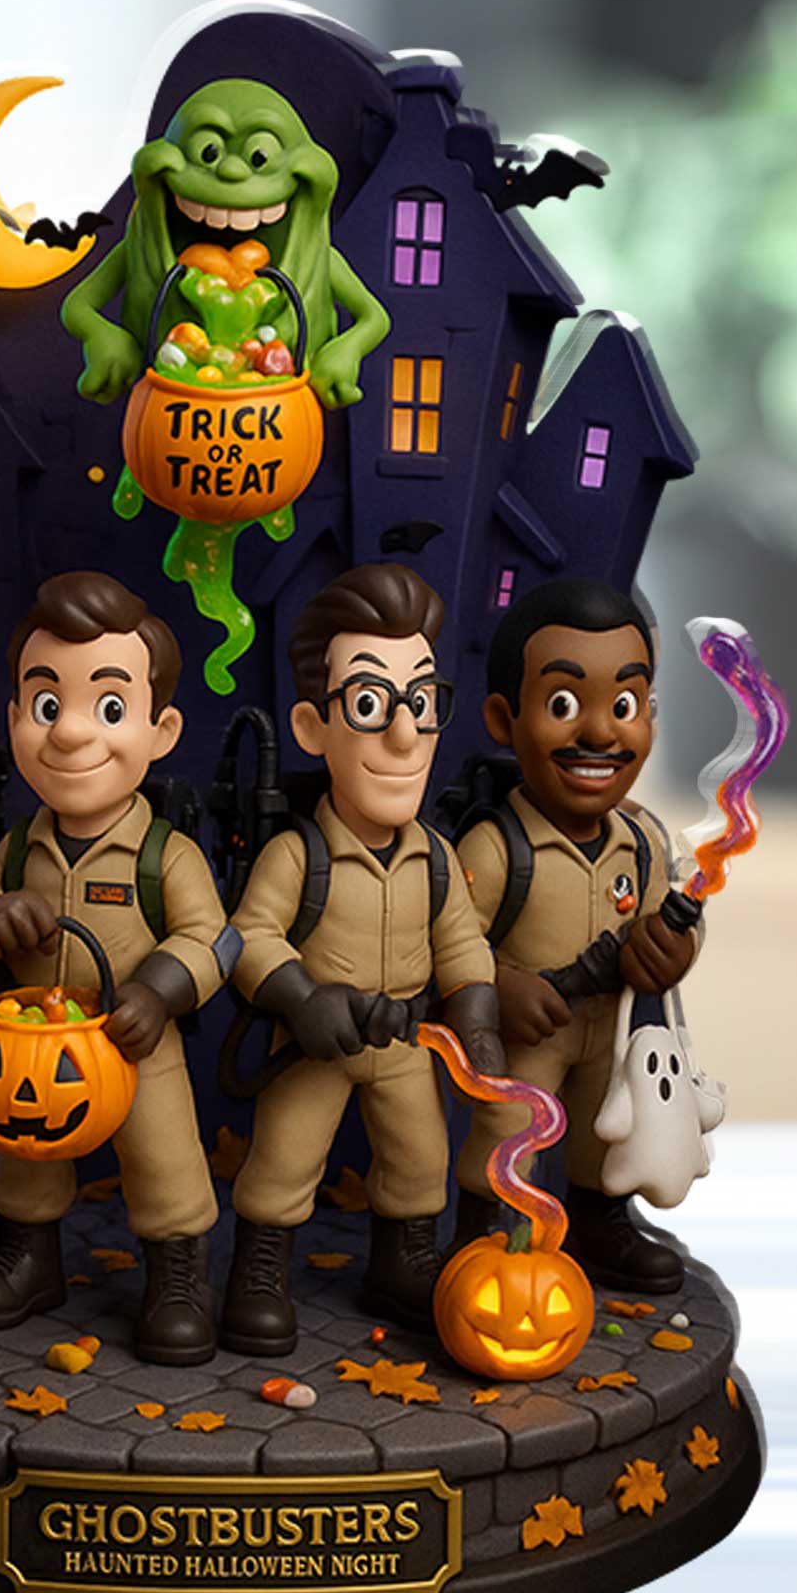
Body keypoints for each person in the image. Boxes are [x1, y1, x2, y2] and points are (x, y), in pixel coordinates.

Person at [0, 573, 234, 1364]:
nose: (69, 734)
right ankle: (29, 1257)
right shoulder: (17, 849)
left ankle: (177, 1274)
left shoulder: (164, 855)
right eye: (45, 705)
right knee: (25, 1156)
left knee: (166, 1164)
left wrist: (160, 989)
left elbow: (215, 939)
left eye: (107, 708)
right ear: (13, 719)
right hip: (31, 1048)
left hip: (134, 1045)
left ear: (161, 730)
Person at [220, 564, 504, 1353]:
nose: (405, 736)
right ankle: (261, 1268)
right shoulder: (298, 855)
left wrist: (477, 1016)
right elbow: (249, 937)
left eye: (422, 702)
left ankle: (403, 1260)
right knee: (284, 1159)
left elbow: (461, 943)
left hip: (407, 1042)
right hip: (316, 1047)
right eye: (371, 704)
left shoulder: (435, 858)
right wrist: (302, 998)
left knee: (420, 1159)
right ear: (313, 728)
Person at [456, 576, 701, 1294]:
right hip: (528, 1037)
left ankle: (601, 1222)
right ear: (504, 718)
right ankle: (490, 1232)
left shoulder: (643, 843)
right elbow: (446, 942)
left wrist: (674, 951)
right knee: (509, 1130)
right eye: (563, 704)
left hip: (611, 1031)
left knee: (608, 1126)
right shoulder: (496, 849)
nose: (598, 733)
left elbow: (666, 920)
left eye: (624, 706)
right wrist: (499, 986)